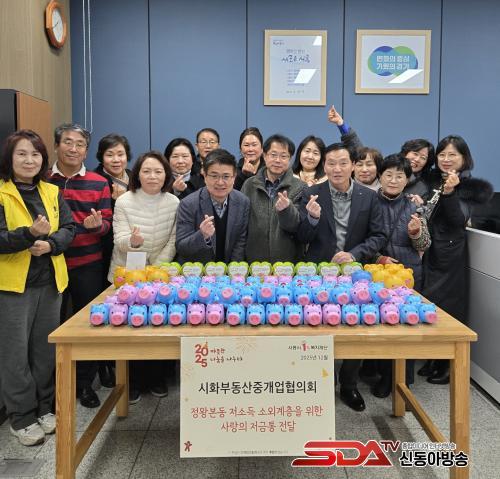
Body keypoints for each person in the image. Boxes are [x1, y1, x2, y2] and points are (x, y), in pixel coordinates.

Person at [296, 142, 386, 411]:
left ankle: (349, 385)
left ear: (353, 165)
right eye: (331, 163)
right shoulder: (310, 194)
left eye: (343, 163)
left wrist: (354, 254)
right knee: (316, 327)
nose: (337, 169)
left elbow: (379, 235)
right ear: (324, 166)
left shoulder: (369, 197)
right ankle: (317, 382)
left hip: (354, 276)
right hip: (318, 274)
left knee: (355, 330)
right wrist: (311, 220)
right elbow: (300, 236)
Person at [0, 130, 74, 446]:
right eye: (22, 154)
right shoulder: (2, 192)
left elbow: (68, 228)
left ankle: (45, 407)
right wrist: (28, 235)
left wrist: (51, 244)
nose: (29, 160)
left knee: (45, 351)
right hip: (13, 287)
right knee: (15, 354)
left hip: (51, 283)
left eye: (35, 154)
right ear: (10, 158)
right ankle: (21, 417)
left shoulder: (51, 191)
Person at [48, 123, 112, 409]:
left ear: (87, 151)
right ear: (56, 145)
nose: (73, 149)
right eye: (68, 142)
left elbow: (108, 224)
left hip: (88, 263)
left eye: (80, 144)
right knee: (52, 326)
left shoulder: (99, 182)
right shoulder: (43, 180)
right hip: (49, 265)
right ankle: (55, 387)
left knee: (89, 323)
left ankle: (85, 382)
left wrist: (98, 226)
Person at [420, 135, 493, 385]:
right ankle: (434, 358)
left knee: (449, 305)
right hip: (430, 249)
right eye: (442, 154)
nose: (446, 159)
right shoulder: (434, 181)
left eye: (453, 155)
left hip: (450, 252)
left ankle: (447, 365)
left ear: (464, 158)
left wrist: (450, 193)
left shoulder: (470, 187)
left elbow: (457, 220)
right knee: (431, 302)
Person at [109, 151, 179, 402]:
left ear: (166, 175)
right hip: (127, 274)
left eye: (158, 171)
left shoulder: (174, 202)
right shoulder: (124, 201)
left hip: (159, 274)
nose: (152, 176)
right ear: (137, 174)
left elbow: (173, 240)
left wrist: (156, 270)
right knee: (131, 327)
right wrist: (134, 242)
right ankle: (133, 381)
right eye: (146, 171)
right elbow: (119, 240)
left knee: (158, 323)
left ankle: (157, 378)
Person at [370, 154, 431, 398]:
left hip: (407, 275)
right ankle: (385, 375)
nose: (393, 180)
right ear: (380, 176)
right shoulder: (368, 202)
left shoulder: (415, 206)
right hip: (378, 273)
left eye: (399, 176)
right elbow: (361, 238)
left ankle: (403, 380)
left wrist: (416, 233)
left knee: (406, 324)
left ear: (407, 180)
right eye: (388, 175)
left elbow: (425, 243)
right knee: (382, 324)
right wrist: (378, 258)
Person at [93, 133, 132, 389]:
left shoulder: (134, 178)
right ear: (101, 157)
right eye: (110, 154)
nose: (116, 159)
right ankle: (105, 365)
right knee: (106, 307)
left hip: (131, 253)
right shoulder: (96, 180)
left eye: (120, 154)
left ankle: (127, 366)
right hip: (105, 251)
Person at [176, 149, 249, 263]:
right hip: (197, 271)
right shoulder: (188, 204)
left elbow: (240, 242)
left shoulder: (242, 202)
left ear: (234, 178)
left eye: (226, 176)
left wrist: (234, 269)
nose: (220, 182)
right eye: (214, 176)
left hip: (230, 270)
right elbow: (181, 247)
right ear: (205, 176)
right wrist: (202, 235)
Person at [241, 134, 305, 263]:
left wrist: (287, 209)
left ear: (290, 159)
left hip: (287, 264)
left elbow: (298, 228)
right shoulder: (249, 185)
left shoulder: (300, 187)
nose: (278, 160)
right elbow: (241, 224)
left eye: (284, 156)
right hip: (254, 263)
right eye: (273, 155)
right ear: (264, 156)